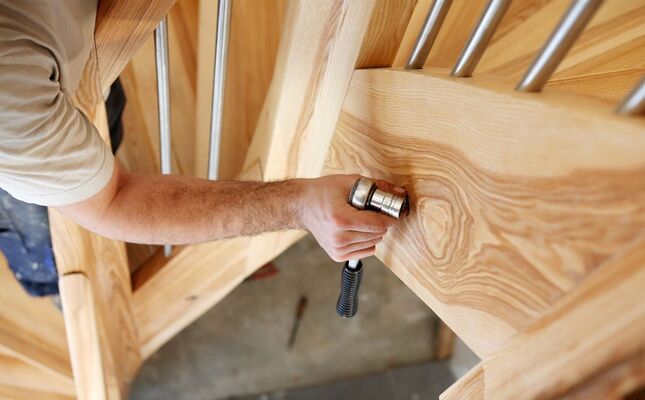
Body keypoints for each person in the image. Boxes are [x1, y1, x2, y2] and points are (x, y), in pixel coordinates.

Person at [0, 0, 404, 289]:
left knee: (105, 111)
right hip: (29, 122)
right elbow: (114, 200)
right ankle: (53, 288)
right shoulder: (12, 109)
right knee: (41, 241)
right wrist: (297, 205)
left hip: (55, 73)